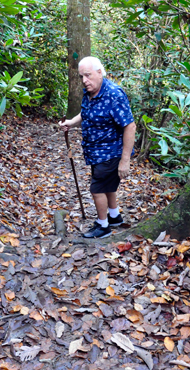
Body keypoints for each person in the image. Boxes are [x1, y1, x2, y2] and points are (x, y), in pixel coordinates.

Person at [59, 56, 136, 239]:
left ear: (99, 72)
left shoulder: (114, 94)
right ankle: (114, 216)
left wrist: (125, 160)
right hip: (95, 152)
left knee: (97, 189)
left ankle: (103, 227)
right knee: (107, 185)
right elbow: (86, 113)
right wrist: (71, 122)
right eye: (81, 77)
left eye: (88, 75)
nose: (84, 81)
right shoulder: (90, 91)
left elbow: (130, 126)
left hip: (111, 152)